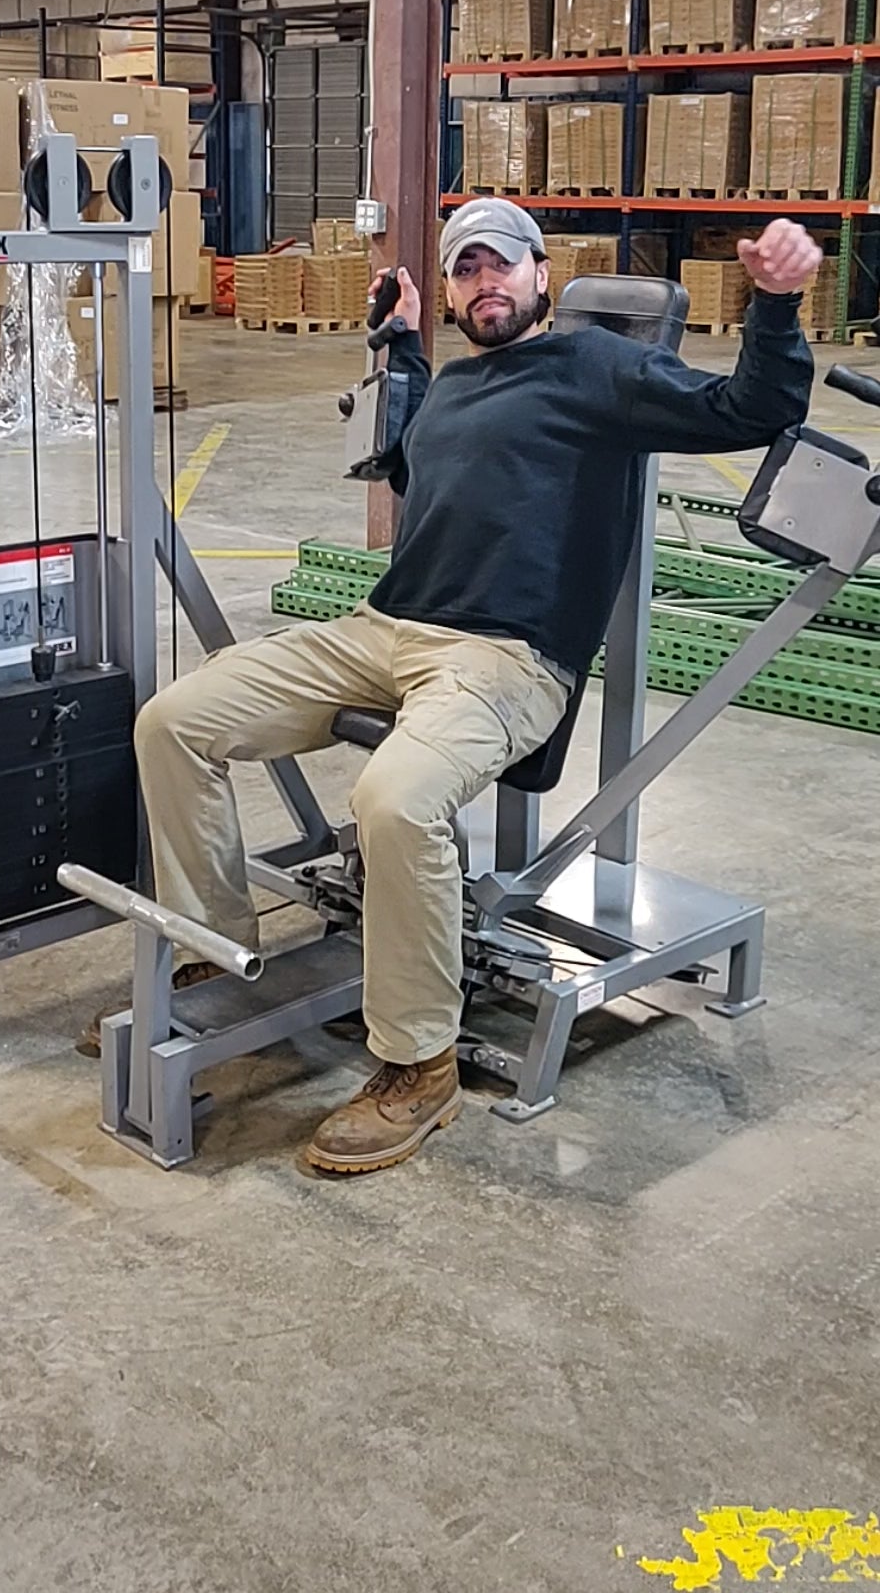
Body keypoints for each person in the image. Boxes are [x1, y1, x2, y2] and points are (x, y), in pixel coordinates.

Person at [134, 200, 819, 1175]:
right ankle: (213, 960)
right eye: (465, 269)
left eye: (502, 264)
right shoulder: (454, 385)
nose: (484, 281)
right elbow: (401, 456)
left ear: (542, 275)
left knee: (393, 800)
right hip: (383, 627)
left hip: (504, 655)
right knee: (173, 720)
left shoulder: (597, 367)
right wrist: (400, 344)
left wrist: (777, 303)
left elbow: (749, 411)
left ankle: (420, 1064)